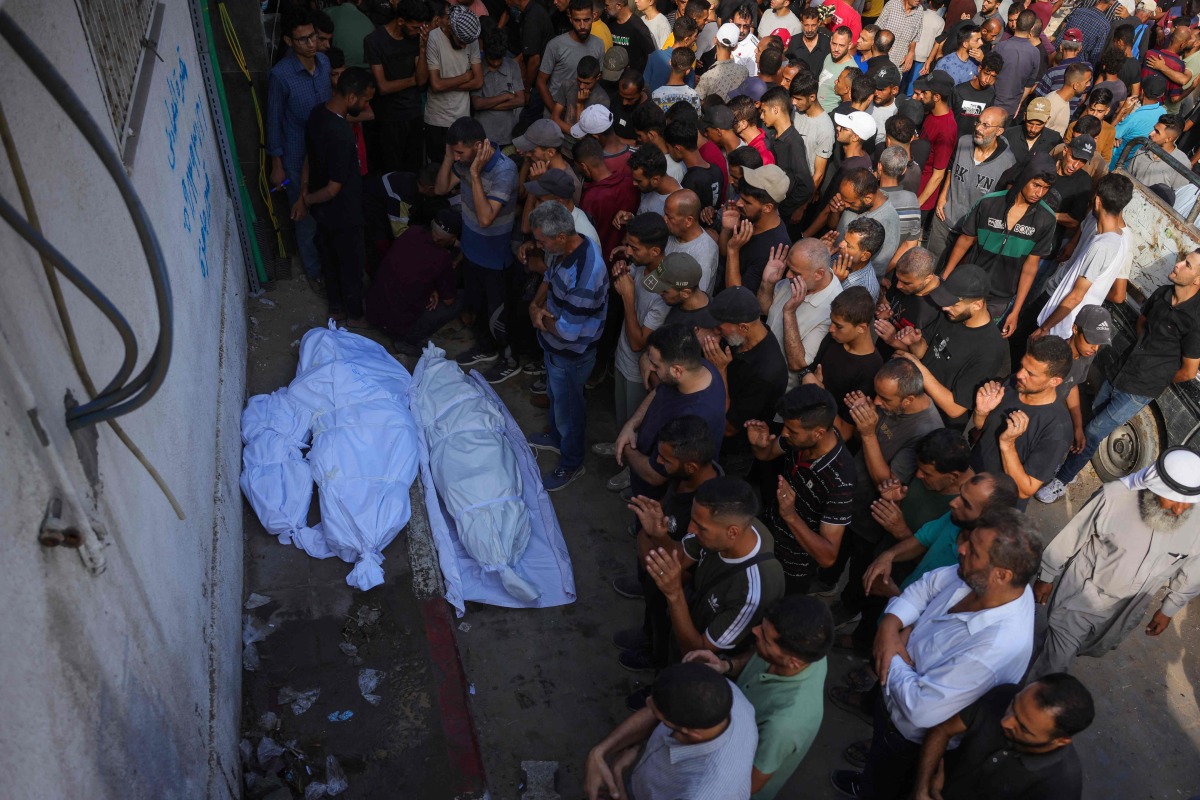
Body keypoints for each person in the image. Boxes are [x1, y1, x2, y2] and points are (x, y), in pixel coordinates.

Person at [829, 507, 1041, 799]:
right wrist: (891, 627)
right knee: (877, 766)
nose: (961, 548)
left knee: (887, 782)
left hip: (907, 736)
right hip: (891, 701)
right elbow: (928, 585)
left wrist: (890, 650)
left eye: (973, 549)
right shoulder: (982, 577)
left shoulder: (996, 647)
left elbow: (920, 708)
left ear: (1002, 575)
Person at [1038, 250, 1200, 503]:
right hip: (1121, 370)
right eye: (1182, 259)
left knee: (1092, 431)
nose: (1178, 265)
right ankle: (1065, 464)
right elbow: (1142, 322)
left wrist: (1158, 378)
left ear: (1197, 279)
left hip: (1141, 389)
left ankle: (1061, 481)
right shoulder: (1162, 294)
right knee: (1090, 417)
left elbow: (1189, 371)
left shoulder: (1196, 319)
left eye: (1187, 264)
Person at [1029, 448, 1200, 679]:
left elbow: (1192, 570)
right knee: (1054, 667)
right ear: (1156, 485)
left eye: (1187, 503)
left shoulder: (1196, 521)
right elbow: (1074, 534)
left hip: (1127, 609)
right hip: (1083, 595)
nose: (1179, 510)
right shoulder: (1114, 497)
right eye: (1174, 499)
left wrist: (1168, 609)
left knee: (1078, 648)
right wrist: (1046, 576)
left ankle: (1027, 660)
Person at [684, 596, 834, 800]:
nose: (755, 631)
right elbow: (759, 653)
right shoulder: (810, 646)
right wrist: (727, 666)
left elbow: (750, 783)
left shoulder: (783, 725)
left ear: (793, 663)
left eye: (764, 636)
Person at [614, 415, 720, 663]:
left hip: (675, 598)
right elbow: (656, 518)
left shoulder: (709, 510)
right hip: (657, 580)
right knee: (654, 621)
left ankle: (656, 666)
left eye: (665, 459)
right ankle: (647, 638)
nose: (658, 462)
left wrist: (654, 540)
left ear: (691, 466)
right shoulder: (683, 477)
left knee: (667, 642)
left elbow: (683, 573)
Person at [584, 661, 759, 800]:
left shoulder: (705, 793)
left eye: (659, 716)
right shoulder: (721, 691)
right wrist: (598, 753)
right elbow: (659, 707)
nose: (647, 705)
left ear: (691, 732)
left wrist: (617, 778)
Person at [526, 201, 609, 490]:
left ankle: (571, 463)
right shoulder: (561, 250)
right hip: (555, 349)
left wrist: (537, 316)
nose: (538, 245)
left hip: (571, 354)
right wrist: (536, 304)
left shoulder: (586, 273)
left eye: (541, 240)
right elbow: (548, 278)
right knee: (557, 397)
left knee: (570, 410)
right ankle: (557, 437)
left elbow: (567, 331)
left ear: (561, 236)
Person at [748, 385, 857, 596]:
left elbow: (828, 557)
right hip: (765, 539)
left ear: (818, 433)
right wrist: (757, 443)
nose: (784, 433)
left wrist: (790, 516)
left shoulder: (840, 480)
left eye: (791, 430)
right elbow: (766, 455)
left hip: (790, 570)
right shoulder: (798, 439)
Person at [913, 675, 1095, 800]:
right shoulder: (1004, 694)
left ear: (1060, 741)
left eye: (1023, 727)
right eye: (1013, 705)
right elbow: (943, 730)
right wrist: (922, 789)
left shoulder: (1059, 788)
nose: (1006, 722)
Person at [436, 118, 521, 379]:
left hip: (495, 256)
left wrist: (473, 173)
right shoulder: (461, 161)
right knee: (477, 305)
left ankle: (510, 359)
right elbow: (440, 188)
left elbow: (486, 219)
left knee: (498, 313)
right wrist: (450, 158)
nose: (457, 157)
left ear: (477, 146)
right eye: (454, 151)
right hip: (472, 250)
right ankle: (486, 349)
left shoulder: (504, 172)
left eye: (460, 152)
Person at [294, 67, 375, 327]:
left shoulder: (317, 115)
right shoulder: (341, 134)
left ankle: (336, 309)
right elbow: (333, 188)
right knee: (351, 265)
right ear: (351, 97)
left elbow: (308, 158)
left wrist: (304, 191)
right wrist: (306, 200)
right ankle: (355, 315)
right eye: (364, 100)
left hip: (324, 214)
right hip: (345, 213)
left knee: (329, 260)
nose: (365, 106)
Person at [879, 264, 1010, 425]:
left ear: (977, 305)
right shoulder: (951, 315)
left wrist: (918, 368)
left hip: (932, 422)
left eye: (953, 304)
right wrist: (915, 342)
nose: (945, 307)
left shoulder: (990, 349)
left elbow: (955, 409)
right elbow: (927, 353)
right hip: (910, 403)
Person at [615, 324, 729, 502]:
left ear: (677, 370)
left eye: (655, 365)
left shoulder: (695, 417)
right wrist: (631, 425)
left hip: (657, 500)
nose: (650, 368)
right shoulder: (699, 368)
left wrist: (626, 447)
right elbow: (659, 391)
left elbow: (655, 475)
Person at [942, 154, 1057, 331]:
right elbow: (965, 240)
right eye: (1036, 185)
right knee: (949, 329)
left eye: (1046, 188)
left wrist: (1015, 311)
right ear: (1025, 177)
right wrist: (946, 276)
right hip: (968, 286)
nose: (1039, 193)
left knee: (976, 340)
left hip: (1000, 299)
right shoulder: (989, 203)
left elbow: (1030, 267)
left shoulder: (1046, 219)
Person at [267, 10, 332, 293]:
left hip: (325, 152)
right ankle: (313, 271)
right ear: (288, 41)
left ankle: (330, 262)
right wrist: (276, 164)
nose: (310, 43)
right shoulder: (281, 75)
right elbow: (273, 120)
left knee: (329, 209)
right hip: (294, 155)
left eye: (313, 37)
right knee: (303, 215)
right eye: (302, 39)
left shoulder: (325, 62)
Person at [969, 336, 1075, 505]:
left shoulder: (1057, 429)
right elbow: (984, 429)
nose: (1019, 374)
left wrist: (1008, 444)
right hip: (971, 481)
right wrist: (981, 412)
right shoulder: (1013, 384)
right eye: (1022, 366)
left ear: (1054, 381)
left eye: (1030, 373)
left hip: (994, 507)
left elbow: (1025, 491)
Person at [1031, 172, 1134, 341]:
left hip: (1058, 321)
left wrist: (1044, 328)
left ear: (1098, 201)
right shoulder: (1119, 239)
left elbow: (1077, 295)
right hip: (1061, 316)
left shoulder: (1102, 245)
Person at [609, 216, 674, 460]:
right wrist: (623, 274)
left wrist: (627, 295)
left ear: (655, 250)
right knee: (621, 414)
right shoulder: (640, 265)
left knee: (635, 424)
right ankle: (618, 445)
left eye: (634, 248)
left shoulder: (663, 292)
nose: (628, 251)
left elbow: (639, 343)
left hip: (639, 369)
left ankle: (630, 467)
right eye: (628, 245)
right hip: (622, 357)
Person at [701, 287, 789, 451]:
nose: (715, 331)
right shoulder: (737, 338)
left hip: (731, 451)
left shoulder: (767, 373)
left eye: (720, 328)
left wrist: (720, 371)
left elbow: (729, 428)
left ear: (743, 327)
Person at [365, 208, 463, 354]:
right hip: (398, 327)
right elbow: (449, 300)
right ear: (451, 239)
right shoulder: (442, 258)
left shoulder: (412, 231)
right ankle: (408, 340)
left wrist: (432, 288)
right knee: (462, 298)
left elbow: (412, 268)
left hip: (373, 312)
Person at [929, 106, 1016, 265]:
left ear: (999, 131)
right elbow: (951, 168)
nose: (978, 128)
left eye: (986, 125)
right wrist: (942, 197)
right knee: (930, 263)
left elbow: (1001, 203)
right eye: (978, 122)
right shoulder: (963, 142)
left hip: (969, 235)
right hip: (944, 219)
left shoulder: (1008, 163)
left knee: (951, 275)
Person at [763, 239, 844, 390]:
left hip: (779, 390)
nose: (788, 275)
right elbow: (765, 310)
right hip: (761, 370)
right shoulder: (798, 279)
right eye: (789, 268)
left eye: (795, 272)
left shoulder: (833, 309)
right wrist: (767, 283)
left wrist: (789, 313)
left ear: (819, 274)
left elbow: (797, 363)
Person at [365, 0, 431, 173]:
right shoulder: (374, 41)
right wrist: (413, 79)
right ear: (401, 21)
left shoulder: (416, 39)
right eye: (415, 27)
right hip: (389, 118)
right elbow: (384, 87)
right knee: (392, 171)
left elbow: (423, 80)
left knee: (414, 170)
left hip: (414, 114)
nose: (418, 31)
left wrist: (423, 48)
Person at [723, 165, 795, 294]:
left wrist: (733, 250)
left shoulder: (775, 250)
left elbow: (736, 296)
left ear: (767, 207)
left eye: (747, 202)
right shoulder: (749, 217)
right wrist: (727, 230)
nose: (738, 203)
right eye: (740, 197)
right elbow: (723, 254)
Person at [424, 6, 484, 162]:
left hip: (462, 118)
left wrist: (445, 85)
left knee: (461, 171)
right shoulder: (434, 38)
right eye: (461, 41)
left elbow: (478, 81)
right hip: (437, 119)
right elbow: (436, 86)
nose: (464, 46)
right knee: (437, 168)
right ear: (451, 28)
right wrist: (465, 77)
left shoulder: (471, 36)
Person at [758, 87, 814, 230]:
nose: (761, 117)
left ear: (775, 110)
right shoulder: (772, 135)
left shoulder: (793, 143)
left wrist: (783, 209)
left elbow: (806, 186)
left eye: (764, 111)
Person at [538, 0, 606, 117]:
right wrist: (556, 112)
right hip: (556, 112)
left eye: (586, 20)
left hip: (583, 113)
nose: (582, 26)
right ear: (570, 19)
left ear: (593, 17)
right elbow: (541, 82)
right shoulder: (555, 45)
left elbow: (597, 79)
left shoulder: (599, 44)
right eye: (577, 20)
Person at [914, 71, 960, 221]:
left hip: (921, 201)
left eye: (925, 92)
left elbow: (938, 174)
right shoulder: (932, 114)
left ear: (937, 97)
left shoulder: (946, 129)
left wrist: (917, 204)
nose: (921, 95)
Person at [472, 31, 526, 147]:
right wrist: (505, 96)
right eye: (492, 59)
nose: (496, 63)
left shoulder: (512, 66)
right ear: (485, 53)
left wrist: (487, 105)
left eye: (499, 59)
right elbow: (477, 104)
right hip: (484, 137)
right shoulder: (478, 67)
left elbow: (520, 100)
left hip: (508, 135)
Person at [877, 247, 943, 342]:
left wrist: (893, 341)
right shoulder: (903, 276)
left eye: (906, 283)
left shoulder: (940, 307)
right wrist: (883, 314)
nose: (898, 285)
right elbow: (886, 301)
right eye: (897, 279)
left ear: (927, 279)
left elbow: (921, 352)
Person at [664, 190, 720, 294]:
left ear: (688, 220)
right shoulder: (669, 235)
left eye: (669, 217)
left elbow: (695, 297)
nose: (664, 220)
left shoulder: (705, 255)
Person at [665, 117, 723, 216]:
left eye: (668, 147)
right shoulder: (717, 170)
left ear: (677, 149)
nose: (668, 152)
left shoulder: (690, 182)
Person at [876, 146, 921, 270]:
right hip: (889, 274)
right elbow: (910, 243)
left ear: (880, 166)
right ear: (903, 170)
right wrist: (884, 271)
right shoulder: (912, 200)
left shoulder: (869, 197)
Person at [790, 74, 835, 195]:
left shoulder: (825, 128)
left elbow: (818, 175)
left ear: (812, 97)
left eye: (798, 99)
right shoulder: (794, 112)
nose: (793, 102)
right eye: (792, 97)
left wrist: (802, 205)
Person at [990, 10, 1041, 115]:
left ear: (1016, 23)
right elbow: (1029, 84)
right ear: (1031, 28)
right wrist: (1019, 102)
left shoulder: (1000, 47)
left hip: (991, 103)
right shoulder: (1035, 53)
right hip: (1011, 109)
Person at [1111, 74, 1167, 168]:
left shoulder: (1135, 117)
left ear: (1142, 91)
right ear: (1162, 94)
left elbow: (1109, 133)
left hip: (1116, 163)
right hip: (1135, 165)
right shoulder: (1163, 113)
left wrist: (1122, 110)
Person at [1126, 113, 1193, 193]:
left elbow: (1177, 195)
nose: (1150, 133)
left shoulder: (1182, 164)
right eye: (1154, 129)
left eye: (1157, 132)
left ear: (1168, 139)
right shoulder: (1143, 148)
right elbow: (1127, 175)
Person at [623, 144, 682, 218]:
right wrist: (631, 218)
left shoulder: (675, 207)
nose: (634, 183)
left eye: (639, 181)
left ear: (655, 180)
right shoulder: (649, 188)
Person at [700, 23, 753, 101]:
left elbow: (697, 102)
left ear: (715, 40)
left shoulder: (708, 76)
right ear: (735, 47)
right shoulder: (744, 72)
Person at [1055, 0, 1116, 65]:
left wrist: (1054, 54)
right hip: (1079, 66)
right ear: (1111, 3)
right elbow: (1095, 55)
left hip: (1062, 57)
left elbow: (1061, 37)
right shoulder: (1104, 25)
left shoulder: (1078, 12)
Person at [604, 0, 656, 71]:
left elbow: (652, 55)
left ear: (618, 6)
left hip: (632, 77)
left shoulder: (638, 27)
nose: (605, 8)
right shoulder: (609, 22)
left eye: (607, 5)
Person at [875, 0, 924, 72]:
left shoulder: (920, 10)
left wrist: (911, 52)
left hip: (899, 63)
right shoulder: (892, 5)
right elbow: (876, 30)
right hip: (881, 60)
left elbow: (916, 37)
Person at [818, 26, 857, 112]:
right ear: (831, 40)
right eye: (834, 44)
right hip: (818, 111)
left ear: (850, 45)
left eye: (841, 45)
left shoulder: (851, 70)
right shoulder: (829, 57)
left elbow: (851, 100)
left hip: (832, 115)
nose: (836, 49)